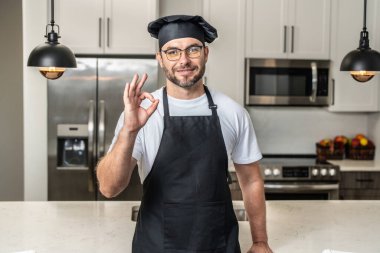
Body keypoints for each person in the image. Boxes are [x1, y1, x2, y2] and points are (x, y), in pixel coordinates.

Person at [96, 15, 273, 253]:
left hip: (218, 245)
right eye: (172, 52)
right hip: (156, 244)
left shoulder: (232, 112)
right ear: (160, 59)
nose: (184, 60)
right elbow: (109, 188)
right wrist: (129, 131)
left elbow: (251, 181)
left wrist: (260, 242)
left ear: (206, 53)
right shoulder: (141, 113)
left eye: (193, 49)